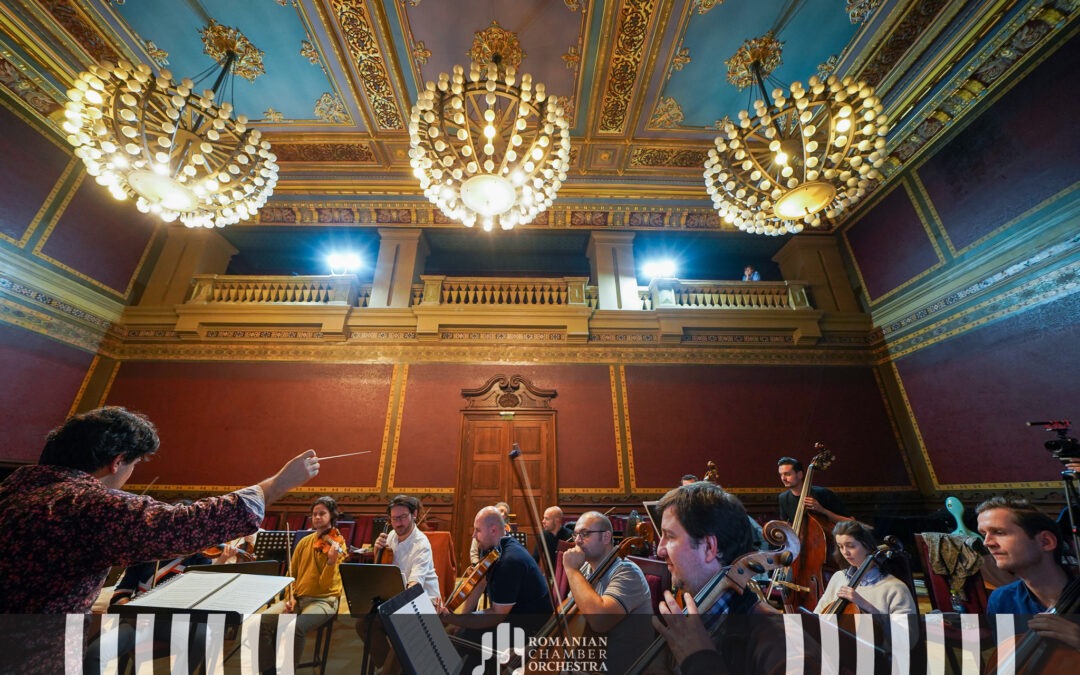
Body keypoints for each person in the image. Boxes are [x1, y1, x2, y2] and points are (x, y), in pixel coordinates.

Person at [0, 406, 319, 614]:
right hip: (32, 651)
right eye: (133, 464)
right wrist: (277, 484)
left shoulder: (13, 490)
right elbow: (182, 525)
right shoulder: (89, 505)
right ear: (117, 461)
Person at [648, 481, 811, 674]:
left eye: (670, 536)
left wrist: (701, 661)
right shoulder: (694, 622)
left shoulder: (784, 645)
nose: (659, 550)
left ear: (709, 547)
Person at [978, 496, 1080, 649]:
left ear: (1046, 541)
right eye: (983, 534)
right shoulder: (1002, 600)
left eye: (999, 532)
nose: (987, 542)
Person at [561, 511, 653, 672]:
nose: (577, 541)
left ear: (606, 537)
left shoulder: (627, 572)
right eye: (575, 535)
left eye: (584, 534)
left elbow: (600, 621)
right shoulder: (585, 568)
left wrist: (571, 570)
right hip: (592, 663)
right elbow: (567, 616)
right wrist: (531, 649)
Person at [440, 506, 552, 634]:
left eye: (477, 530)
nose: (474, 536)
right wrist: (460, 623)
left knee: (462, 642)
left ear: (493, 530)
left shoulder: (509, 561)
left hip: (530, 628)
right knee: (462, 633)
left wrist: (455, 620)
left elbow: (497, 615)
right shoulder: (493, 548)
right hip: (511, 617)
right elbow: (480, 583)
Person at [281, 496, 346, 663]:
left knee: (296, 628)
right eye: (314, 514)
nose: (317, 517)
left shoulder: (338, 545)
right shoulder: (304, 542)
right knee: (260, 624)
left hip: (324, 601)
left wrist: (331, 561)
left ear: (332, 515)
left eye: (322, 513)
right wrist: (291, 597)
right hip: (298, 598)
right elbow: (291, 573)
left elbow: (325, 586)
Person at [814, 520, 916, 614]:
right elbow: (817, 617)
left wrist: (863, 604)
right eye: (840, 546)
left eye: (851, 546)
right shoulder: (839, 577)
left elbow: (907, 632)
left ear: (867, 546)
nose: (845, 552)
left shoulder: (895, 588)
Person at [777, 456, 851, 525]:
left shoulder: (823, 493)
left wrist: (822, 510)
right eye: (781, 475)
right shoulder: (783, 498)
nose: (783, 478)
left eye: (787, 474)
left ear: (800, 475)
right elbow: (787, 526)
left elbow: (851, 522)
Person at [469, 500, 510, 565]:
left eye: (505, 513)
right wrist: (477, 566)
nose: (502, 514)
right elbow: (474, 552)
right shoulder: (482, 528)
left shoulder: (505, 532)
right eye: (501, 511)